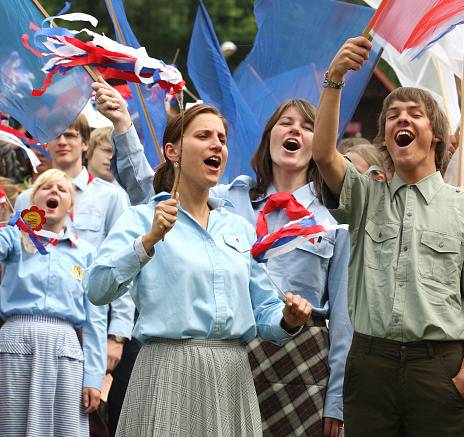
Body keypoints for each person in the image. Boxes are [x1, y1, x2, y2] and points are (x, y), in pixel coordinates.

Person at [94, 79, 351, 437]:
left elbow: (271, 309)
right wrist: (123, 125)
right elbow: (145, 192)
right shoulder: (220, 200)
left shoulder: (318, 219)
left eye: (222, 139)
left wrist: (289, 319)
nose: (216, 144)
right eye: (204, 136)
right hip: (168, 368)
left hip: (244, 368)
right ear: (174, 151)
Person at [312, 36, 464, 436]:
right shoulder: (366, 196)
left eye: (414, 114)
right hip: (371, 365)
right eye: (392, 116)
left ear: (435, 135)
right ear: (385, 137)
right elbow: (323, 155)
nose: (401, 120)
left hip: (439, 368)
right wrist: (334, 78)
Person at [12, 115, 133, 435]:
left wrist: (116, 335)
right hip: (25, 327)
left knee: (84, 419)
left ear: (83, 142)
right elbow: (11, 261)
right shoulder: (26, 200)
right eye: (54, 135)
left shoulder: (111, 197)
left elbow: (120, 268)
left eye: (70, 135)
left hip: (86, 327)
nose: (62, 142)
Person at [0, 169, 107, 437]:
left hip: (66, 349)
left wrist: (94, 377)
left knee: (65, 429)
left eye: (62, 190)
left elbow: (95, 318)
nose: (54, 192)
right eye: (46, 187)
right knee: (12, 427)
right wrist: (12, 225)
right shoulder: (15, 238)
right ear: (32, 200)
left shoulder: (85, 252)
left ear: (70, 205)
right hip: (16, 342)